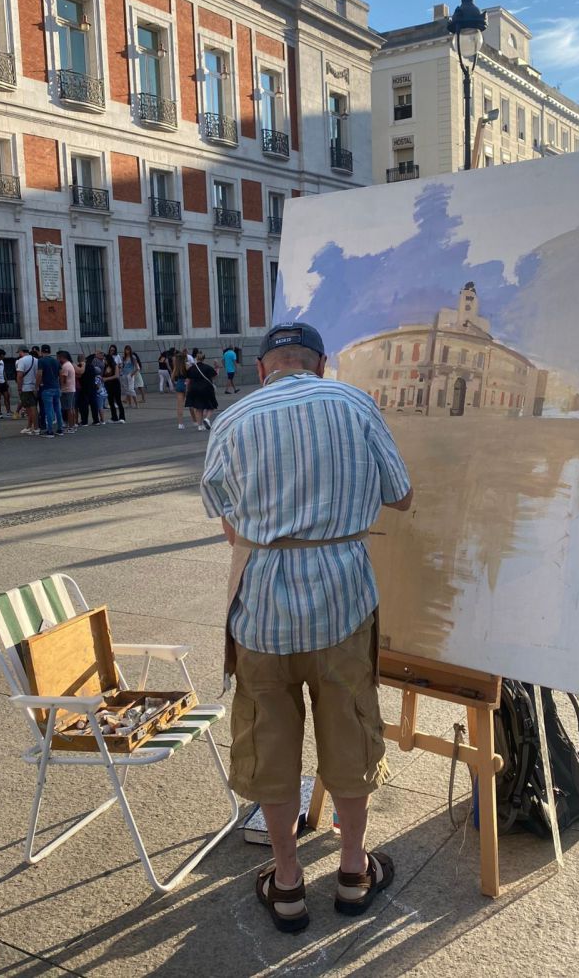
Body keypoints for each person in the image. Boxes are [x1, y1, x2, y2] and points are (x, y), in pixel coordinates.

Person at [201, 322, 412, 934]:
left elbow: (227, 520)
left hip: (263, 609)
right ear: (321, 364)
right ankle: (352, 872)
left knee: (269, 739)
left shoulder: (233, 419)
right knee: (349, 728)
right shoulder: (354, 403)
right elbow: (401, 494)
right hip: (342, 601)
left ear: (265, 368)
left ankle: (288, 883)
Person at [36, 344, 63, 437]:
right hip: (56, 387)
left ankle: (50, 431)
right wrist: (61, 386)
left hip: (46, 388)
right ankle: (60, 429)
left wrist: (37, 386)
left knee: (48, 409)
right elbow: (61, 374)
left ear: (41, 351)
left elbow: (39, 374)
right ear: (50, 351)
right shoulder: (56, 361)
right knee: (58, 409)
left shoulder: (41, 361)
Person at [186, 352, 218, 430]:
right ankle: (207, 419)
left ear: (196, 358)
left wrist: (188, 390)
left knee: (198, 407)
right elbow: (214, 376)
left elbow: (188, 380)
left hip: (194, 389)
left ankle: (199, 426)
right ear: (204, 359)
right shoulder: (208, 367)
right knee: (212, 405)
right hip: (206, 389)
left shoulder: (191, 368)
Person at [15, 346, 39, 436]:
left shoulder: (22, 361)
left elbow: (19, 376)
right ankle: (30, 427)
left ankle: (35, 428)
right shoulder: (35, 360)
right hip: (34, 386)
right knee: (33, 408)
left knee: (30, 409)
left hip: (25, 387)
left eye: (19, 352)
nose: (19, 354)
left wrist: (19, 388)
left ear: (21, 351)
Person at [77, 354, 102, 426]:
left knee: (84, 405)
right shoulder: (91, 366)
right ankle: (96, 420)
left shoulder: (80, 367)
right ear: (84, 359)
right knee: (94, 404)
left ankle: (84, 421)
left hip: (84, 388)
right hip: (92, 387)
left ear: (79, 360)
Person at [103, 352, 126, 422]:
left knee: (118, 401)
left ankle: (122, 417)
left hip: (115, 385)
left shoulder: (115, 366)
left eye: (105, 359)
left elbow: (116, 376)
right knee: (111, 402)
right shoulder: (106, 367)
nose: (104, 361)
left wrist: (106, 379)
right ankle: (114, 417)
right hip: (108, 386)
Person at [58, 350, 77, 432]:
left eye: (58, 357)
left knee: (69, 409)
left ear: (62, 357)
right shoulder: (70, 364)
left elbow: (64, 379)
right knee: (71, 408)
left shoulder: (65, 366)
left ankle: (71, 426)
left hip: (67, 390)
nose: (57, 359)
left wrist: (60, 384)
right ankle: (72, 425)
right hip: (72, 389)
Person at [172, 351, 188, 429]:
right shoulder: (187, 366)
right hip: (186, 384)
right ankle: (196, 421)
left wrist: (175, 383)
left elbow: (172, 377)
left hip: (179, 383)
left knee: (179, 406)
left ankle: (180, 424)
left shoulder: (176, 367)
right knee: (191, 403)